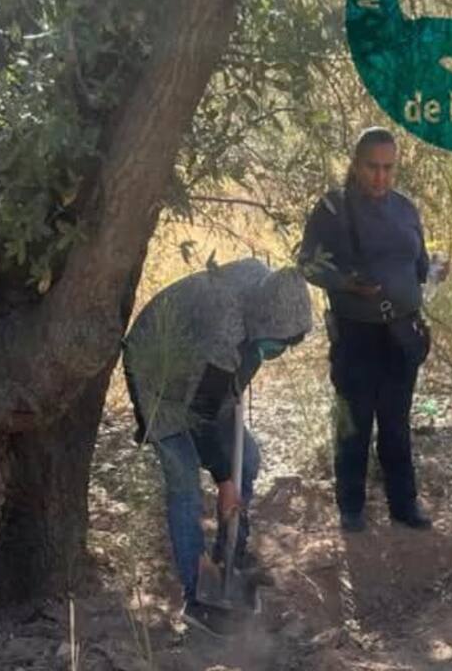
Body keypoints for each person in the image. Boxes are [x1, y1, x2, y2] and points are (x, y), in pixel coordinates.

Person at [122, 258, 312, 635]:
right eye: (277, 345)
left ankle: (230, 559)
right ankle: (197, 598)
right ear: (259, 324)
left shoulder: (265, 294)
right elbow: (201, 416)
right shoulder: (225, 327)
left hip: (204, 374)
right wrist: (225, 481)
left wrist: (233, 476)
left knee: (249, 459)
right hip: (158, 371)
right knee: (185, 480)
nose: (280, 352)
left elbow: (222, 388)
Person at [299, 126, 442, 533]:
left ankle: (404, 504)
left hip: (403, 333)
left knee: (396, 421)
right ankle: (351, 507)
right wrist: (346, 283)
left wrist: (434, 274)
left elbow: (420, 267)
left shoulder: (405, 208)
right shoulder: (332, 208)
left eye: (388, 168)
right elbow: (307, 262)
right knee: (354, 421)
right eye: (372, 167)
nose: (380, 176)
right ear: (356, 164)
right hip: (356, 333)